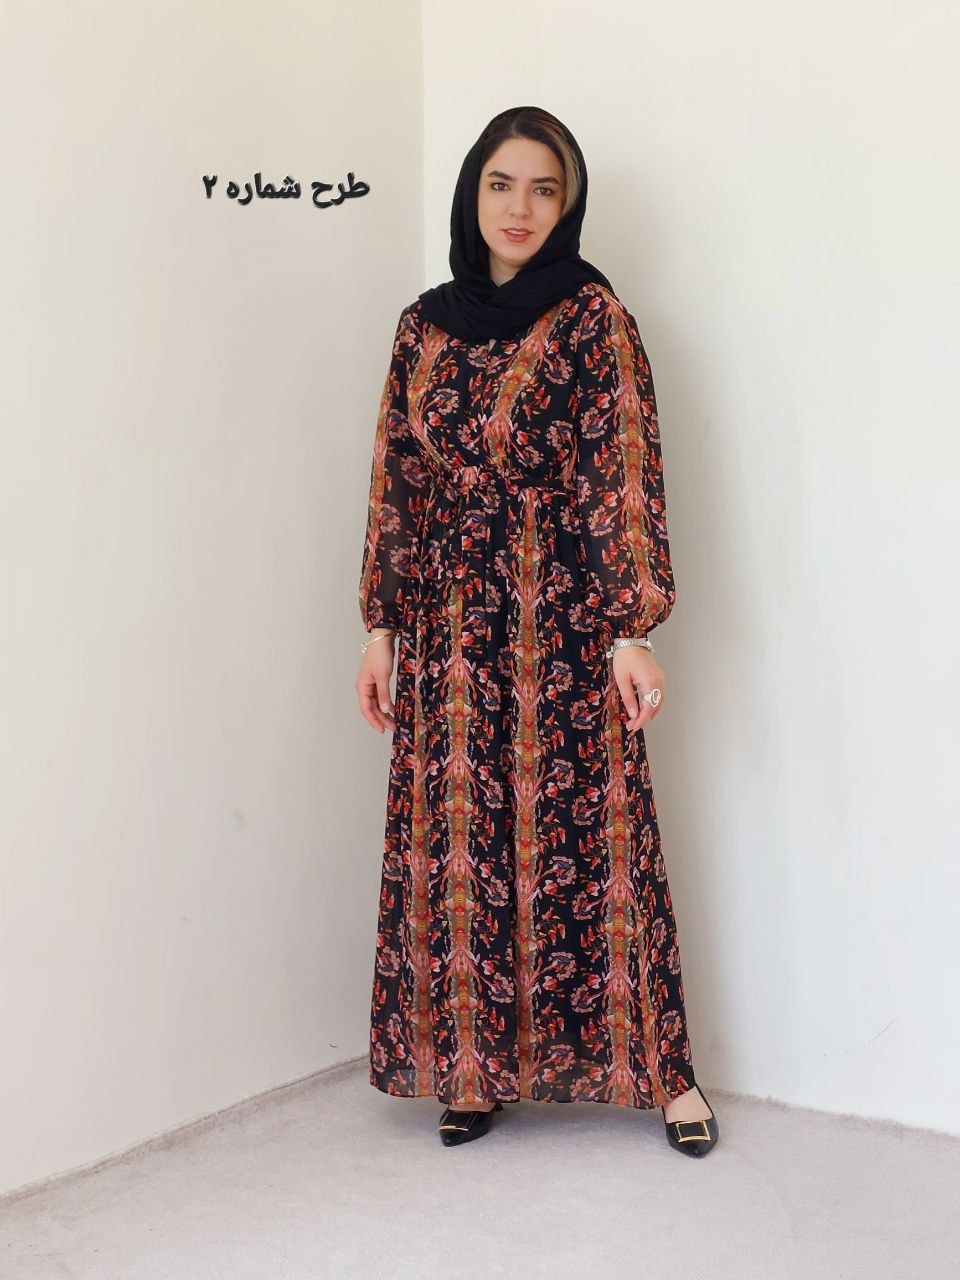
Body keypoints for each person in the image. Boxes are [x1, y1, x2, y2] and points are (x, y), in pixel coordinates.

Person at [355, 105, 719, 1158]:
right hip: (448, 627)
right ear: (472, 192)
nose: (521, 207)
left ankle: (668, 1075)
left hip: (562, 616)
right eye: (502, 184)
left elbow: (623, 467)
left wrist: (630, 627)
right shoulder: (423, 327)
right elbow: (397, 478)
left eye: (545, 188)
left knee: (600, 835)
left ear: (569, 204)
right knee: (461, 844)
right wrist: (380, 624)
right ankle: (472, 1068)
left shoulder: (594, 317)